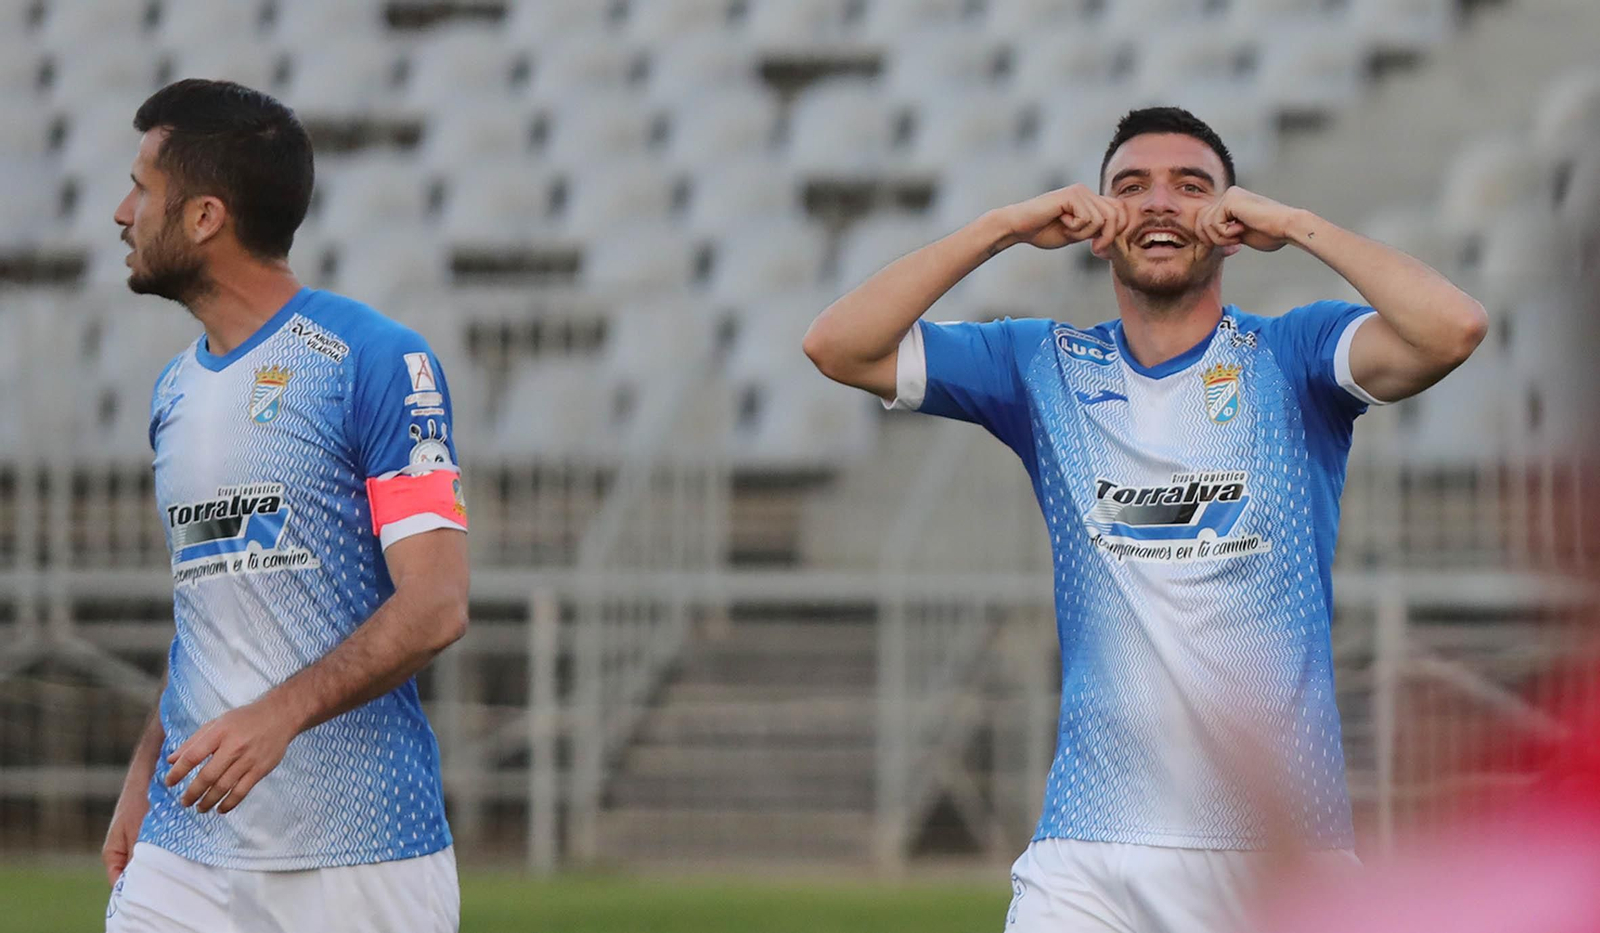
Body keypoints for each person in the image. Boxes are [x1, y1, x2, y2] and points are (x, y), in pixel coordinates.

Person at [803, 107, 1487, 933]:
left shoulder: (1294, 356)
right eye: (1131, 189)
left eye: (1191, 188)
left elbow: (1452, 328)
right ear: (1096, 227)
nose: (1160, 204)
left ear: (1232, 225)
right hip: (1090, 854)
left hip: (1278, 856)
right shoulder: (1040, 364)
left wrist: (1296, 225)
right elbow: (839, 345)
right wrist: (1004, 229)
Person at [100, 79, 469, 932]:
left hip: (361, 856)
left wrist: (280, 714)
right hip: (184, 847)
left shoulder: (373, 360)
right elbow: (213, 608)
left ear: (204, 217)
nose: (122, 212)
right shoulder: (174, 391)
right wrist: (144, 770)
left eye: (142, 188)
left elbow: (437, 601)